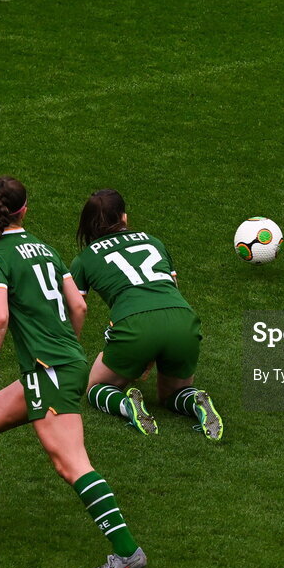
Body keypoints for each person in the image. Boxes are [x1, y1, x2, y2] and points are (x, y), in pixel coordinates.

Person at [0, 176, 146, 568]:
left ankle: (127, 553)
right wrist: (66, 350)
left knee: (72, 465)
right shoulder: (46, 249)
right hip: (59, 367)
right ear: (25, 210)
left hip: (50, 373)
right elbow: (77, 305)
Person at [70, 189, 222, 441]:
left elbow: (76, 308)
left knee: (95, 387)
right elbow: (172, 288)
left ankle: (126, 406)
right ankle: (195, 400)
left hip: (135, 326)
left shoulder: (84, 259)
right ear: (124, 217)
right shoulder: (154, 241)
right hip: (182, 320)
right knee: (171, 394)